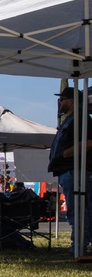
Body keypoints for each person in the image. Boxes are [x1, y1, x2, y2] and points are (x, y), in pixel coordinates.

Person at [48, 87, 92, 256]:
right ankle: (80, 245)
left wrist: (65, 153)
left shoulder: (80, 118)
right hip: (69, 170)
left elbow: (88, 142)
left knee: (79, 210)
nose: (60, 103)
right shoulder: (71, 119)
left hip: (75, 170)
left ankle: (79, 247)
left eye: (63, 99)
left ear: (71, 101)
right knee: (80, 209)